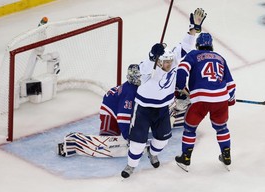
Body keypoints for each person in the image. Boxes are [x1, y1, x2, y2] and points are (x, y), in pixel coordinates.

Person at [121, 8, 207, 178]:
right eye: (165, 62)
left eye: (169, 61)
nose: (169, 65)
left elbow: (186, 44)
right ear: (158, 61)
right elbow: (142, 67)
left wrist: (194, 28)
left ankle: (152, 153)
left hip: (162, 109)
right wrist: (153, 55)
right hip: (144, 110)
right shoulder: (148, 68)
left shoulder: (173, 61)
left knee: (163, 140)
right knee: (137, 142)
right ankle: (131, 166)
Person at [174, 33, 236, 171]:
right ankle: (226, 155)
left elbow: (181, 70)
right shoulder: (220, 58)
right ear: (211, 45)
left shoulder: (193, 55)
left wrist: (180, 88)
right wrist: (230, 99)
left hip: (200, 99)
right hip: (220, 99)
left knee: (190, 128)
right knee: (222, 128)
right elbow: (231, 84)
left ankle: (185, 157)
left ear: (198, 44)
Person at [57, 64, 141, 157]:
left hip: (119, 106)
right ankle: (73, 141)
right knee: (105, 143)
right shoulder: (129, 92)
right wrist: (127, 136)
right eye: (139, 76)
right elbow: (123, 116)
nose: (141, 78)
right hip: (109, 110)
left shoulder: (136, 87)